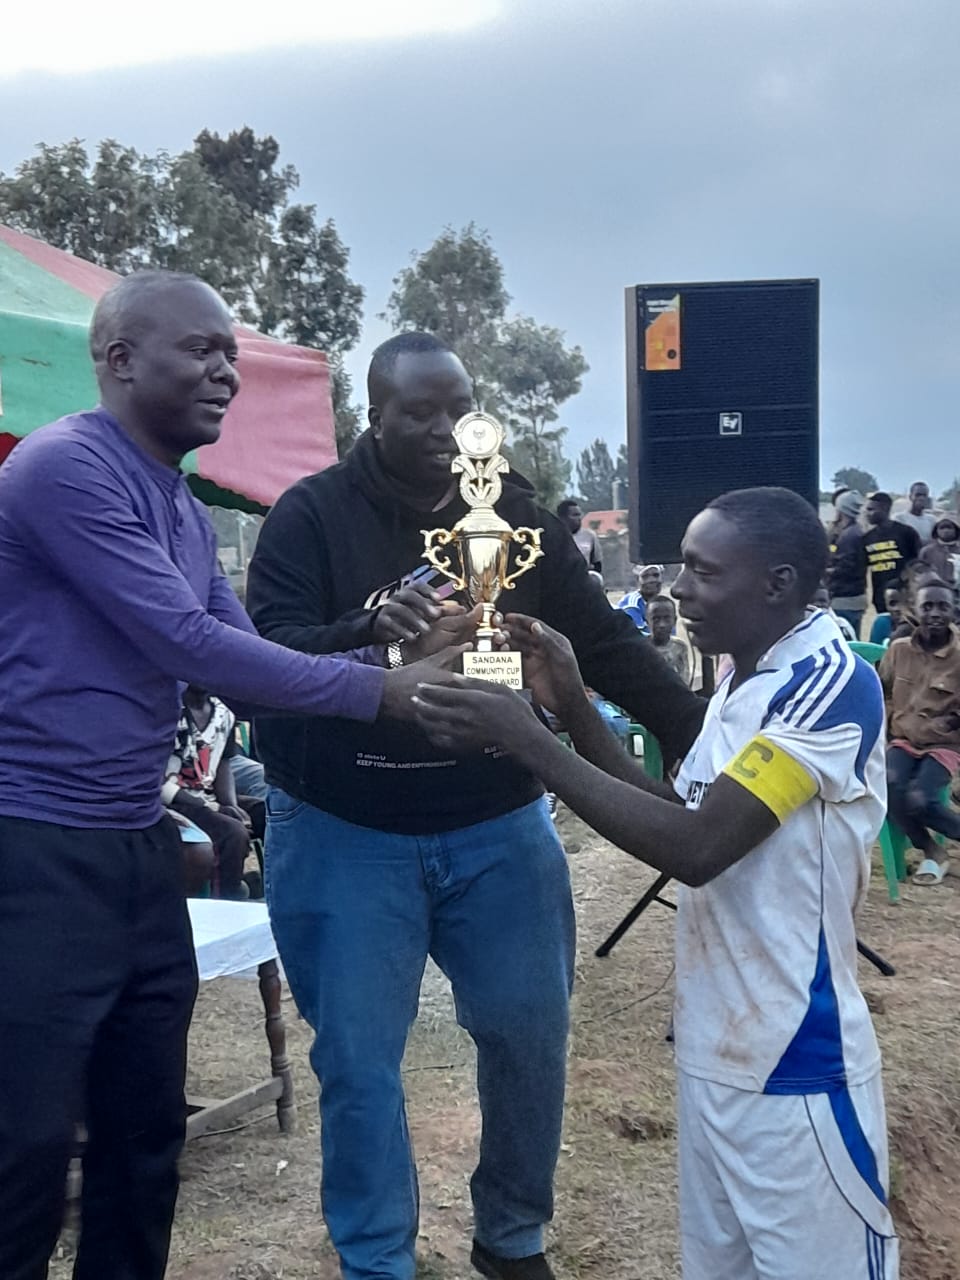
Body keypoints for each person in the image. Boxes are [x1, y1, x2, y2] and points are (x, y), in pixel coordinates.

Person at [0, 272, 451, 1280]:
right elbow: (190, 643)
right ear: (119, 359)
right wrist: (385, 688)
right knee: (23, 1143)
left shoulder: (181, 509)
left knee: (143, 1133)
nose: (227, 373)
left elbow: (251, 664)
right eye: (201, 350)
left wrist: (392, 658)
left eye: (233, 355)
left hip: (136, 844)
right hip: (31, 845)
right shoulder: (64, 467)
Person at [246, 331, 705, 1280]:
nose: (446, 429)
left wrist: (703, 734)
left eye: (460, 408)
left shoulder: (515, 514)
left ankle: (512, 1236)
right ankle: (378, 1259)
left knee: (529, 1031)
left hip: (497, 819)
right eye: (420, 412)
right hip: (342, 827)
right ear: (374, 415)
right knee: (359, 1061)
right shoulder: (310, 516)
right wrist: (374, 639)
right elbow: (266, 662)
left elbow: (603, 644)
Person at [414, 486, 898, 1280]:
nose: (678, 589)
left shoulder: (827, 683)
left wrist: (529, 743)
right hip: (716, 1053)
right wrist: (571, 705)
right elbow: (672, 815)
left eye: (704, 572)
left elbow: (700, 849)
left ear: (777, 584)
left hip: (800, 1070)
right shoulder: (743, 683)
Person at [880, 580, 960, 885]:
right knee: (889, 787)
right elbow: (882, 690)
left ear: (953, 611)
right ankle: (931, 850)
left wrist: (952, 722)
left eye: (942, 606)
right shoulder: (899, 650)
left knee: (920, 799)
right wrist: (890, 723)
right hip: (902, 739)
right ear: (914, 609)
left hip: (944, 744)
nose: (935, 613)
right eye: (927, 606)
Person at [162, 686, 252, 899]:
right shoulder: (167, 711)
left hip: (205, 795)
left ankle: (265, 887)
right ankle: (226, 900)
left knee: (266, 813)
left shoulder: (224, 711)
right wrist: (212, 807)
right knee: (232, 833)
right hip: (172, 800)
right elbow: (157, 782)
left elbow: (223, 762)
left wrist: (230, 804)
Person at [863, 491, 920, 615]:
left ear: (884, 508)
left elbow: (917, 563)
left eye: (871, 509)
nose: (867, 513)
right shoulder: (867, 538)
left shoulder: (906, 533)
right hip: (880, 598)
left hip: (905, 596)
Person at [826, 489, 867, 637]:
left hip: (844, 599)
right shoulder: (855, 531)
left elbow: (844, 568)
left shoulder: (849, 536)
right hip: (854, 598)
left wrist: (824, 571)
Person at [648, 595, 692, 683]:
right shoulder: (641, 649)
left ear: (674, 620)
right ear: (647, 621)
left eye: (667, 618)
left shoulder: (680, 647)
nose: (662, 625)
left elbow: (684, 680)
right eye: (656, 619)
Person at [556, 498, 602, 574]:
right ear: (562, 518)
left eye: (579, 515)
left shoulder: (590, 536)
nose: (579, 518)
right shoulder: (552, 537)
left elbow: (597, 564)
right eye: (575, 515)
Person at [616, 563, 664, 631]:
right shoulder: (632, 604)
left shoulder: (663, 604)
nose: (652, 580)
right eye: (645, 576)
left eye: (656, 575)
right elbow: (637, 635)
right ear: (637, 580)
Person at [919, 515, 960, 588]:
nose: (946, 531)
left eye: (949, 527)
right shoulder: (927, 551)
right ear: (936, 531)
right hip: (934, 589)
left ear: (956, 530)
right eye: (942, 528)